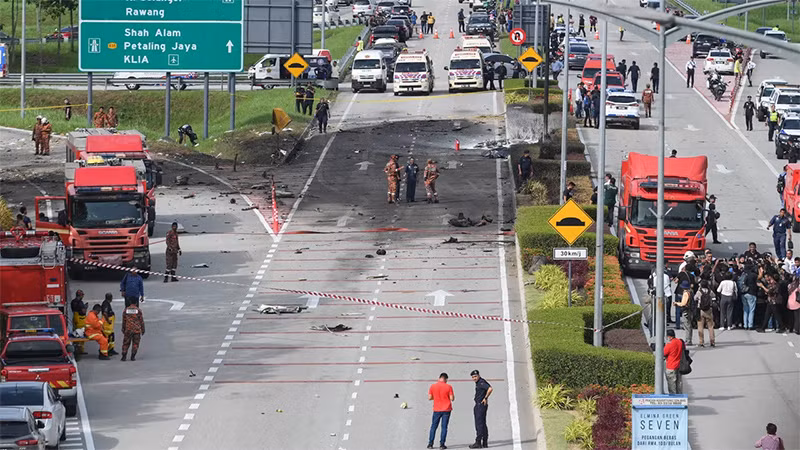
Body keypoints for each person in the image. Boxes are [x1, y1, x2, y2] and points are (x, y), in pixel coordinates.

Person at [427, 372, 454, 449]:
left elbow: (430, 398)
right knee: (444, 427)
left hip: (436, 409)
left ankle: (430, 443)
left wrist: (436, 397)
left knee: (433, 427)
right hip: (446, 409)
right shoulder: (448, 387)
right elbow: (452, 398)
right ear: (445, 379)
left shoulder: (433, 386)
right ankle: (442, 444)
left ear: (439, 378)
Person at [468, 369, 492, 449]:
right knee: (483, 423)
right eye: (473, 377)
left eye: (475, 376)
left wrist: (485, 398)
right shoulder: (481, 381)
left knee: (479, 424)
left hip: (480, 405)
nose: (474, 378)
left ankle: (478, 442)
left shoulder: (481, 382)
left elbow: (490, 388)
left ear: (478, 375)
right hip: (481, 405)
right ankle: (485, 442)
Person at [695, 280, 716, 347]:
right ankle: (712, 341)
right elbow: (714, 297)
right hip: (709, 310)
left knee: (700, 326)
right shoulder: (710, 292)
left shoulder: (699, 292)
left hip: (701, 310)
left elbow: (695, 298)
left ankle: (701, 342)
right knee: (710, 327)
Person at [663, 329, 684, 394]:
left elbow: (663, 353)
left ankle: (673, 400)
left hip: (671, 366)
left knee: (672, 386)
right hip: (678, 365)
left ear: (669, 336)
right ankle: (680, 399)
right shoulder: (679, 342)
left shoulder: (669, 344)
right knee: (678, 385)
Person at [70, 290, 89, 355]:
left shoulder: (73, 302)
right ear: (80, 295)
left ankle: (75, 349)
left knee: (76, 334)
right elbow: (83, 311)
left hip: (75, 319)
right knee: (81, 335)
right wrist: (86, 307)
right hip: (81, 320)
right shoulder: (80, 303)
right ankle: (80, 350)